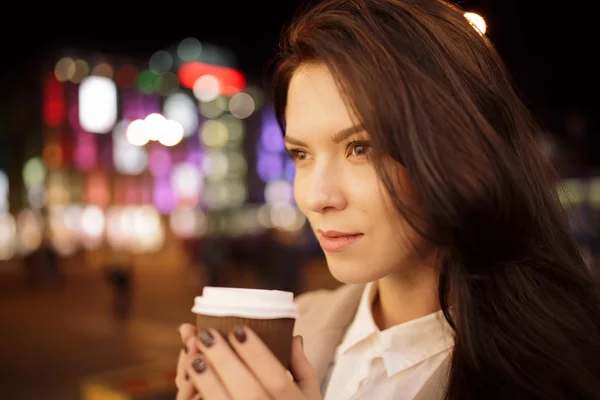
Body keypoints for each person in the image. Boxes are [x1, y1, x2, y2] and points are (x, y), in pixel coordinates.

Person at [175, 0, 600, 399]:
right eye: (301, 155)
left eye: (361, 148)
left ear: (459, 151)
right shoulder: (294, 330)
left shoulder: (560, 368)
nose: (317, 197)